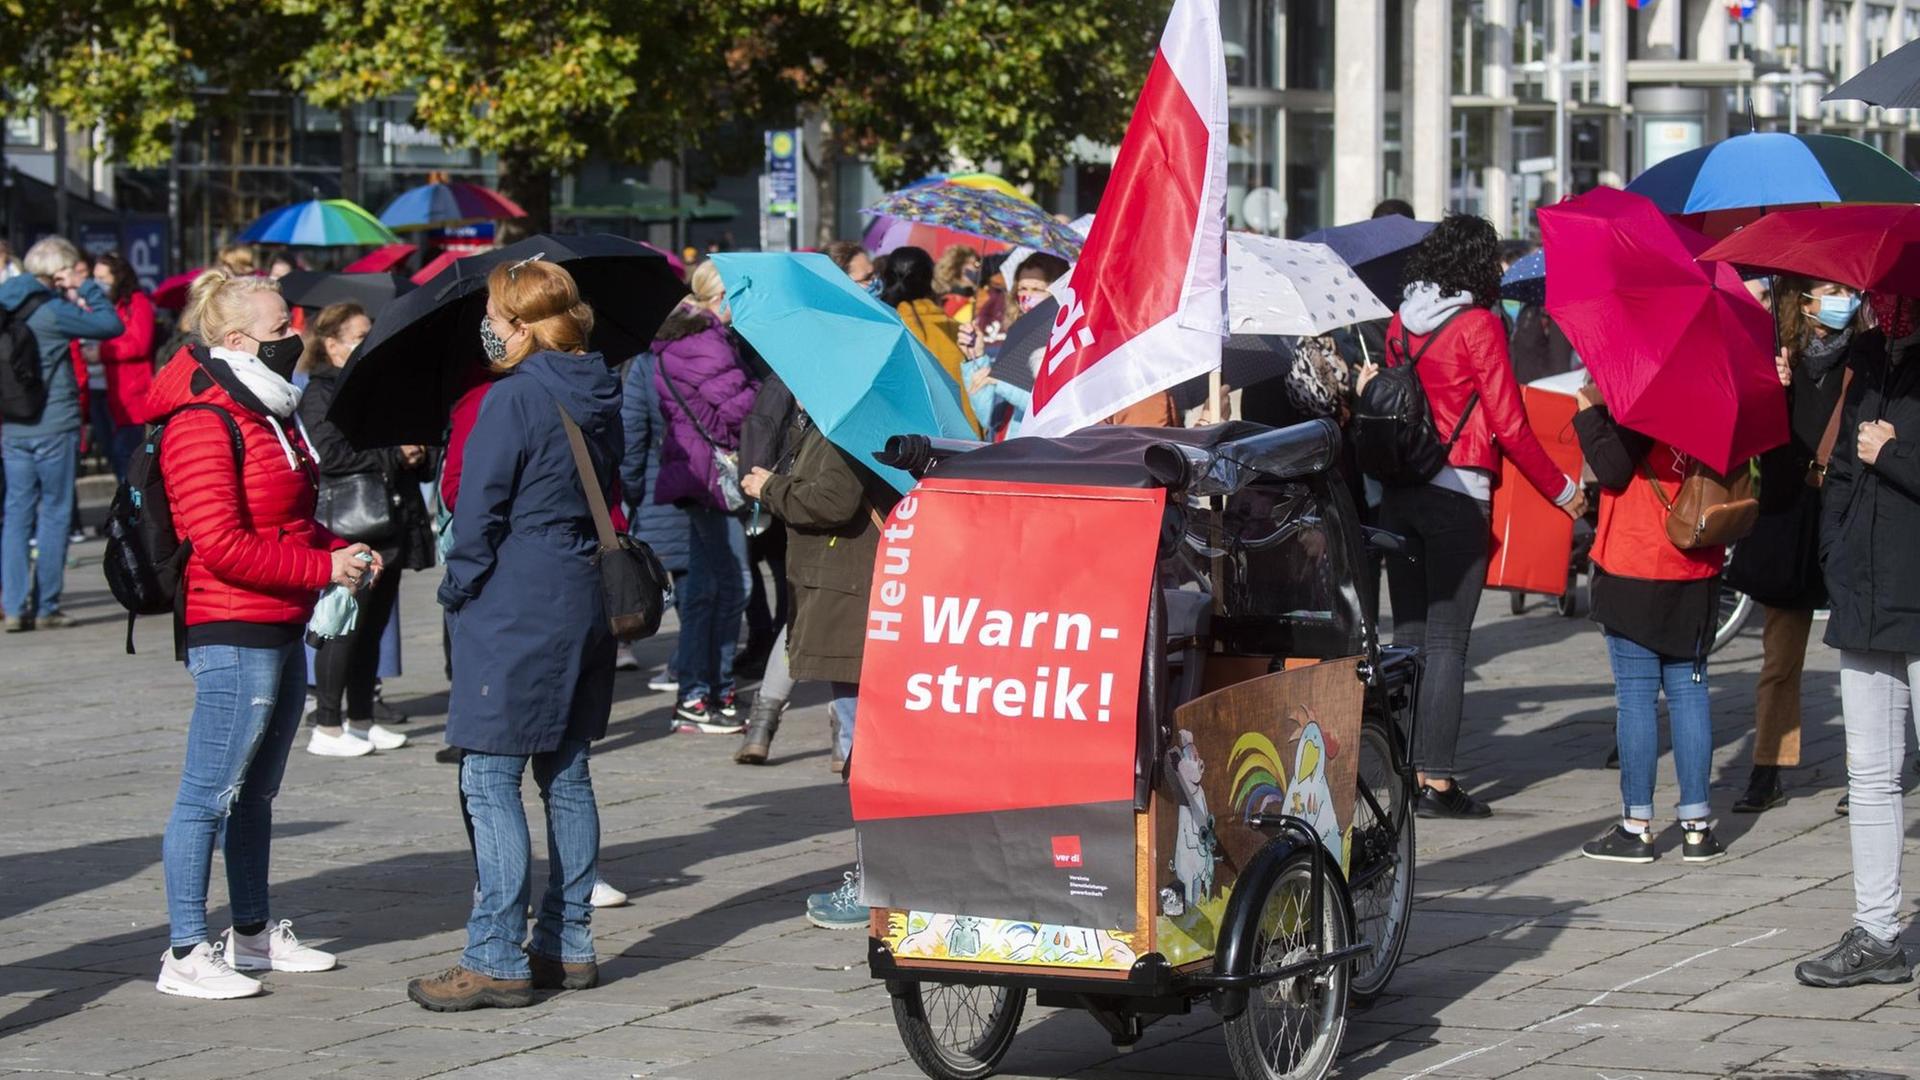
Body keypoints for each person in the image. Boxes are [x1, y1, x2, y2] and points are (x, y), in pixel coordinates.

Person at [150, 268, 375, 999]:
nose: (295, 337)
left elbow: (279, 515)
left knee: (256, 793)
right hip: (231, 619)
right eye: (282, 328)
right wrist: (321, 565)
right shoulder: (203, 417)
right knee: (207, 794)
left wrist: (332, 547)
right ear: (239, 339)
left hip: (278, 613)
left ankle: (251, 933)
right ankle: (185, 950)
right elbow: (216, 541)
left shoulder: (267, 408)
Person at [408, 257, 620, 1011]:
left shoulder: (514, 399)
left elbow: (479, 516)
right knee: (566, 773)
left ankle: (494, 952)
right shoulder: (597, 385)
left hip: (516, 598)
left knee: (489, 777)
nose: (488, 331)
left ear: (523, 326)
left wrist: (457, 587)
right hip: (579, 590)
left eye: (496, 319)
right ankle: (568, 943)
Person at [1361, 215, 1585, 818]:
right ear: (1475, 263)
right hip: (1457, 493)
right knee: (1447, 643)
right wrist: (1562, 488)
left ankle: (1397, 770)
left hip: (1401, 493)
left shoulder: (1401, 323)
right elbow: (1509, 424)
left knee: (1406, 639)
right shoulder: (1481, 326)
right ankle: (1436, 780)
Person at [1792, 294, 1920, 989]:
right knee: (1869, 775)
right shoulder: (1869, 356)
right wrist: (1834, 553)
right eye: (1883, 294)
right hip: (1865, 591)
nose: (1887, 306)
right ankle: (1877, 931)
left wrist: (1894, 453)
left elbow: (1876, 455)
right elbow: (1841, 466)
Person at [742, 400, 895, 926]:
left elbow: (832, 500)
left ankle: (876, 881)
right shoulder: (840, 421)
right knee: (863, 745)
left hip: (848, 598)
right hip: (843, 593)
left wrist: (770, 489)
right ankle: (878, 875)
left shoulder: (844, 424)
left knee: (865, 753)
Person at [1571, 380, 1729, 864]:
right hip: (1696, 562)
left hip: (1636, 561)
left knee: (1637, 698)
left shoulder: (1646, 392)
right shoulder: (1717, 391)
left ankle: (1637, 825)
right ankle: (1697, 827)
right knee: (1689, 693)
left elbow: (1613, 468)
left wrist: (1589, 409)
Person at [1727, 276, 1865, 814]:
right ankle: (1768, 767)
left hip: (1845, 515)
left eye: (1844, 290)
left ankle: (1867, 768)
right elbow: (1756, 440)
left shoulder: (1866, 355)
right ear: (1801, 301)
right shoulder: (1777, 357)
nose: (1840, 301)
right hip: (1789, 515)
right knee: (1780, 658)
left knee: (1863, 655)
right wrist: (1772, 387)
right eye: (1828, 290)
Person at [297, 302, 433, 758]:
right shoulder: (320, 391)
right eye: (358, 335)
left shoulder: (382, 383)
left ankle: (362, 718)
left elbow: (412, 438)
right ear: (331, 344)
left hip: (391, 518)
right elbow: (329, 454)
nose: (367, 342)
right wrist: (393, 454)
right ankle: (328, 724)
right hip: (351, 522)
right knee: (344, 625)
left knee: (373, 628)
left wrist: (416, 453)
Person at [653, 260, 758, 734]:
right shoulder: (706, 340)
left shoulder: (686, 335)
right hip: (711, 476)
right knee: (735, 584)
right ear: (723, 297)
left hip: (695, 473)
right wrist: (768, 386)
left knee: (703, 587)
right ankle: (707, 690)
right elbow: (740, 408)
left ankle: (699, 693)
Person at [0, 237, 124, 631]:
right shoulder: (54, 311)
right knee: (53, 514)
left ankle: (15, 606)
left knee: (16, 515)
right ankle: (47, 606)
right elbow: (110, 324)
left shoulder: (4, 302)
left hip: (13, 425)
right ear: (59, 271)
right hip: (55, 423)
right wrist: (83, 287)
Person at [616, 347, 691, 679]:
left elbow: (631, 436)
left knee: (648, 578)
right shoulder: (709, 350)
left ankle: (626, 643)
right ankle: (695, 670)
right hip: (700, 488)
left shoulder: (643, 365)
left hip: (654, 488)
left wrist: (630, 492)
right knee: (697, 586)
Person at [880, 246, 983, 436]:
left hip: (900, 438)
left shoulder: (882, 326)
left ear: (886, 278)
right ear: (930, 280)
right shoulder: (954, 329)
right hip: (956, 440)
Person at [88, 251, 158, 484]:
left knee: (126, 456)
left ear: (118, 277)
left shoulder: (137, 303)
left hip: (134, 395)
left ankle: (134, 514)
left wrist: (102, 352)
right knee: (115, 454)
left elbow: (139, 344)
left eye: (103, 277)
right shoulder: (109, 306)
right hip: (110, 394)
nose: (99, 283)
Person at [932, 244, 981, 315]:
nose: (980, 266)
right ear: (960, 274)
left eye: (978, 261)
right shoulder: (953, 307)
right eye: (975, 264)